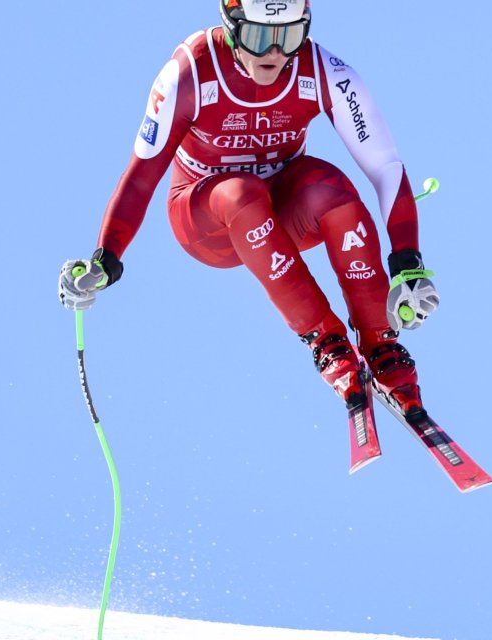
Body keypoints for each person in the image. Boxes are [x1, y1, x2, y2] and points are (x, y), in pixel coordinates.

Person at [58, 0, 440, 415]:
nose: (275, 54)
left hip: (280, 214)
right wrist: (105, 258)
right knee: (241, 193)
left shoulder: (325, 72)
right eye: (260, 37)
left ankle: (381, 343)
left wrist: (407, 261)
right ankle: (327, 344)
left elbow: (384, 165)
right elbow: (140, 177)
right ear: (232, 26)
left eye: (289, 36)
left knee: (331, 189)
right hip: (209, 223)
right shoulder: (190, 72)